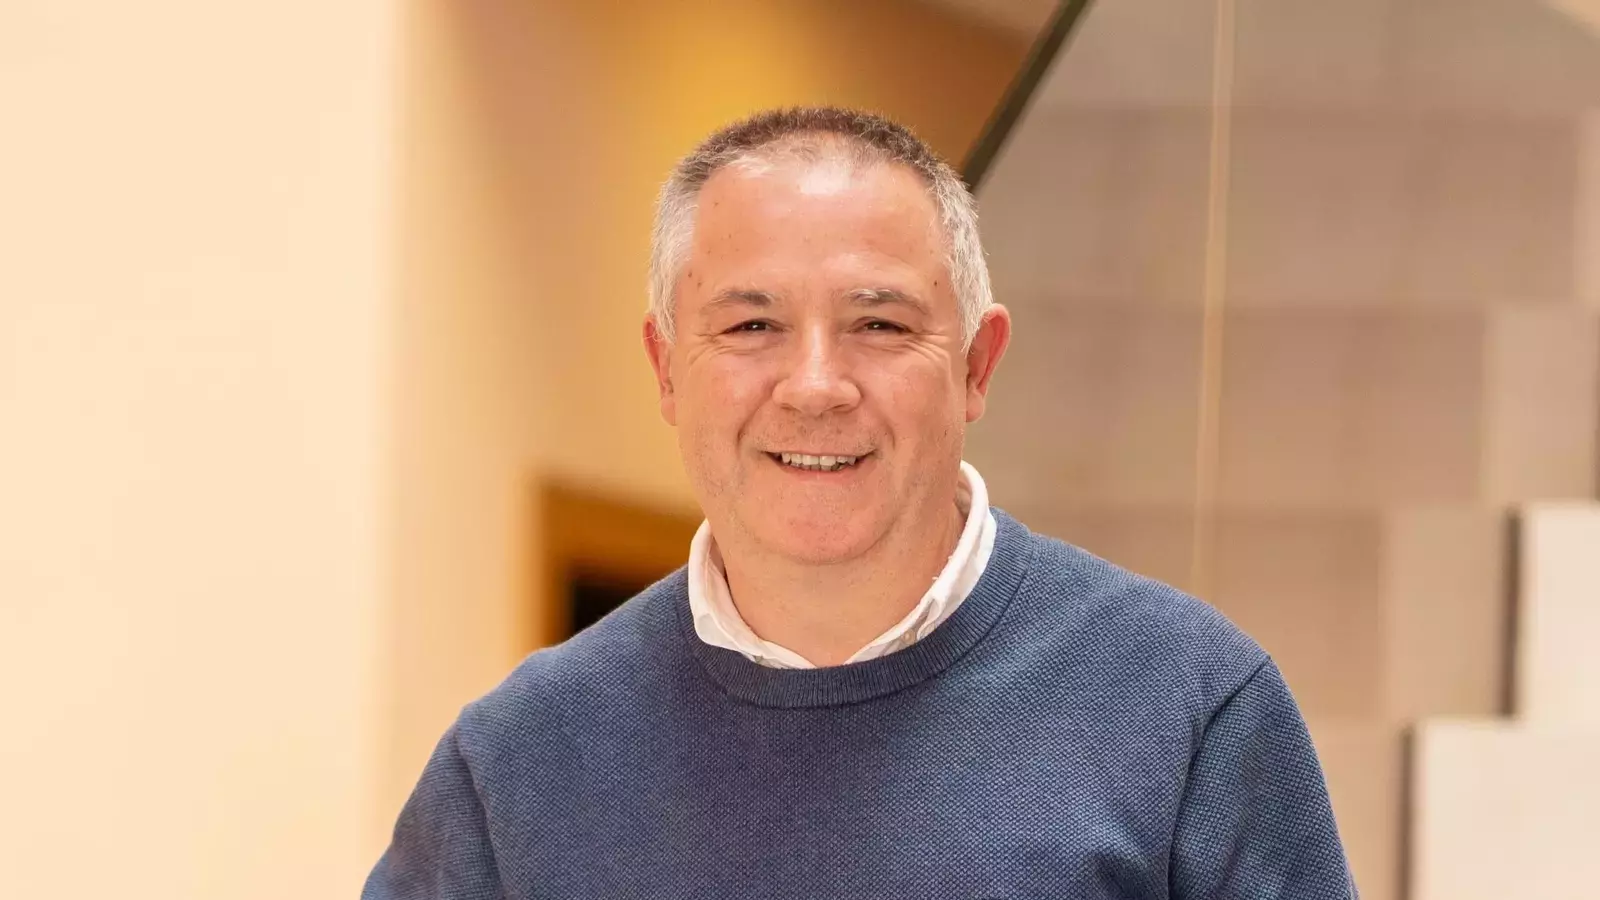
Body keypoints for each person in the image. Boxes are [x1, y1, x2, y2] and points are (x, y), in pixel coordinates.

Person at [364, 106, 1354, 899]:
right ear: (667, 370)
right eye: (751, 325)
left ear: (976, 365)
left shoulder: (1189, 708)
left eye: (878, 325)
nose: (815, 386)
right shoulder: (515, 764)